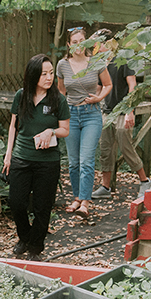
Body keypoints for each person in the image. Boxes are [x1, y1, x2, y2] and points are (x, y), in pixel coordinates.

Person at [3, 54, 70, 261]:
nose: (49, 78)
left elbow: (65, 130)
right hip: (22, 157)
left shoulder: (58, 99)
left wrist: (51, 131)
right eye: (44, 74)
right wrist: (8, 155)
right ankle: (24, 237)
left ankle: (35, 248)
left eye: (51, 73)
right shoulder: (21, 96)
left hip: (48, 162)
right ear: (33, 76)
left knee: (42, 207)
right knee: (17, 203)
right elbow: (13, 126)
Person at [89, 29, 151, 200]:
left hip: (122, 110)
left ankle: (145, 181)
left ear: (107, 43)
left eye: (97, 43)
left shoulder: (124, 58)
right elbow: (98, 87)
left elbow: (132, 86)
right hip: (106, 112)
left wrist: (129, 111)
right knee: (105, 149)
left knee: (126, 147)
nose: (95, 47)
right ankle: (105, 187)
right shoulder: (99, 62)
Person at [57, 27, 112, 218]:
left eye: (82, 41)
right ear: (68, 45)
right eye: (74, 42)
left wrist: (98, 98)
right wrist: (60, 116)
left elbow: (108, 84)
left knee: (86, 160)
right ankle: (76, 197)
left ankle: (85, 202)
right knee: (73, 162)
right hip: (71, 115)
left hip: (91, 115)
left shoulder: (96, 62)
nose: (78, 45)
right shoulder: (62, 65)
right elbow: (61, 93)